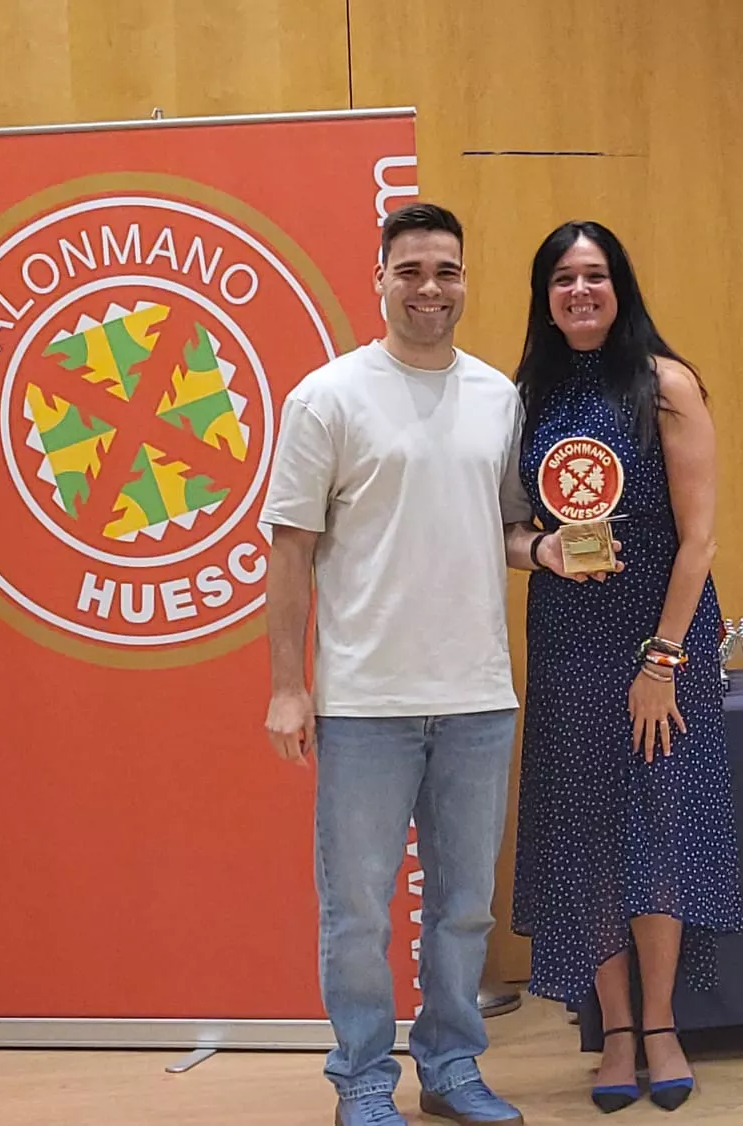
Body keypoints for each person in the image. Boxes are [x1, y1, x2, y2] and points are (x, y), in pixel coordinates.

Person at [262, 201, 564, 1126]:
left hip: (478, 695)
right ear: (380, 280)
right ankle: (360, 1077)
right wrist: (286, 685)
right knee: (357, 912)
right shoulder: (327, 397)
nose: (431, 289)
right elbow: (290, 550)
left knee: (464, 909)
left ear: (466, 280)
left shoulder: (497, 397)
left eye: (447, 272)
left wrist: (545, 552)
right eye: (412, 272)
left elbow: (507, 526)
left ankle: (450, 1067)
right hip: (366, 702)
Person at [508, 220, 743, 1114]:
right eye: (563, 278)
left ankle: (661, 1026)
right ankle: (610, 1034)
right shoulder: (524, 397)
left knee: (659, 826)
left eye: (595, 275)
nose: (579, 291)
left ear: (621, 285)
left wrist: (663, 659)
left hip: (659, 633)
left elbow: (699, 540)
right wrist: (540, 551)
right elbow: (505, 528)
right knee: (585, 833)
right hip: (569, 631)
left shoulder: (666, 384)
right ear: (545, 295)